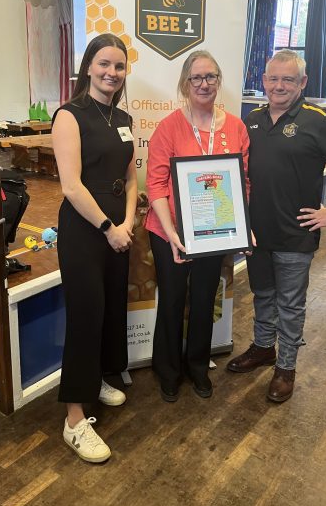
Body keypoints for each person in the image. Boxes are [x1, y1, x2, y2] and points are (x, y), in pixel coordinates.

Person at [227, 49, 326, 402]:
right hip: (257, 233)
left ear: (302, 82)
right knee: (263, 294)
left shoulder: (319, 120)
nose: (279, 86)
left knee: (290, 304)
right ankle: (263, 348)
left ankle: (286, 367)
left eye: (288, 79)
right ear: (263, 81)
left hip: (296, 233)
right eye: (273, 78)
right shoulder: (252, 119)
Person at [145, 50, 250, 402]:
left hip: (213, 233)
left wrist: (242, 225)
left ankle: (198, 367)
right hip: (169, 231)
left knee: (205, 299)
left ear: (219, 81)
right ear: (185, 84)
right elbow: (155, 185)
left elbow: (242, 183)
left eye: (211, 77)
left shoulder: (235, 127)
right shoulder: (169, 127)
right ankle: (168, 370)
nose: (204, 84)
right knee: (172, 300)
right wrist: (172, 234)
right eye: (197, 78)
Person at [52, 33, 137, 462]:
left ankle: (96, 379)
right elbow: (71, 186)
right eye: (104, 64)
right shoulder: (70, 115)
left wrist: (128, 223)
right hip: (86, 231)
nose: (112, 72)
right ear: (88, 66)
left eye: (119, 66)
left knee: (108, 310)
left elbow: (131, 177)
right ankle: (73, 420)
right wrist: (108, 227)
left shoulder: (122, 117)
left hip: (118, 230)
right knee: (86, 317)